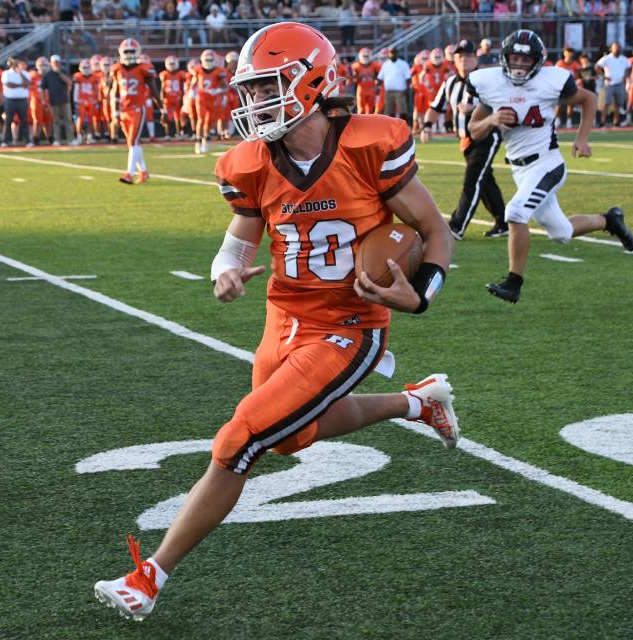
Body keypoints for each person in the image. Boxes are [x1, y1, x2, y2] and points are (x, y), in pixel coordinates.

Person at [94, 22, 459, 620]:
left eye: (268, 89)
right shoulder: (250, 163)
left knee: (241, 436)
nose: (255, 103)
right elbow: (238, 240)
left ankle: (150, 575)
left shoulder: (370, 145)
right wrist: (225, 272)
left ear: (313, 82)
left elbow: (434, 230)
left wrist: (421, 294)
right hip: (284, 316)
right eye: (253, 91)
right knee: (289, 437)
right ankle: (417, 404)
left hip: (350, 323)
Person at [467, 30, 633, 304]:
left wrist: (582, 138)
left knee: (516, 211)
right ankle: (610, 220)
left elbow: (589, 99)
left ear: (537, 61)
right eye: (515, 57)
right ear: (505, 58)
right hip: (520, 170)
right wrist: (492, 119)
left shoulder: (551, 82)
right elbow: (474, 131)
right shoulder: (492, 84)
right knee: (562, 234)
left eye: (526, 58)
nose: (520, 64)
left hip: (547, 162)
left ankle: (513, 282)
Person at [420, 39, 507, 239]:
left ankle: (456, 226)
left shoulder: (486, 80)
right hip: (465, 140)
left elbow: (502, 105)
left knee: (472, 181)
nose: (464, 61)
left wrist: (476, 110)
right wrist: (427, 126)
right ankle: (503, 222)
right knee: (484, 181)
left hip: (486, 135)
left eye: (468, 56)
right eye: (460, 57)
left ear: (475, 58)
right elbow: (436, 107)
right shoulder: (450, 82)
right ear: (455, 60)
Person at [109, 39, 160, 183]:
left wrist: (162, 108)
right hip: (124, 109)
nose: (129, 54)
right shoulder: (117, 69)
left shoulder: (144, 68)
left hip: (138, 108)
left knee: (133, 141)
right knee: (133, 143)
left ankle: (129, 174)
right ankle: (143, 171)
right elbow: (115, 92)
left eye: (132, 51)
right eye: (127, 51)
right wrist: (115, 112)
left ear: (137, 52)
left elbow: (154, 90)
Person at [191, 49, 227, 154]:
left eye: (211, 59)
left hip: (213, 98)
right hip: (201, 98)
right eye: (207, 59)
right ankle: (198, 141)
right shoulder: (198, 69)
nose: (209, 61)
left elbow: (224, 85)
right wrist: (191, 92)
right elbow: (194, 83)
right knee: (201, 119)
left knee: (209, 121)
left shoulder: (220, 71)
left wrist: (219, 91)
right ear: (202, 59)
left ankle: (205, 141)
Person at [595, 42, 631, 126]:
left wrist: (625, 76)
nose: (617, 49)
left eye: (618, 47)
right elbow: (597, 67)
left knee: (618, 103)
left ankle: (616, 121)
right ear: (611, 48)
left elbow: (629, 68)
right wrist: (604, 76)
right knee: (607, 103)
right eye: (615, 47)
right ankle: (602, 121)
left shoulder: (624, 59)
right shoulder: (607, 58)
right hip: (609, 84)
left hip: (620, 83)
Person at [42, 55, 73, 145]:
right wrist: (44, 101)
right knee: (55, 121)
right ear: (51, 63)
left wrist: (59, 74)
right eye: (54, 62)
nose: (56, 64)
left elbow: (70, 82)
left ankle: (70, 139)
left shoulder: (64, 71)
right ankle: (57, 139)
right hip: (53, 101)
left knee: (68, 120)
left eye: (57, 62)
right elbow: (43, 88)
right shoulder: (48, 75)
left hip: (65, 100)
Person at [1, 56, 31, 147]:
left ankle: (27, 141)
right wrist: (21, 85)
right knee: (8, 121)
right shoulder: (6, 73)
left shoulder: (24, 73)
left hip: (22, 100)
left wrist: (20, 73)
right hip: (10, 100)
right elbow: (8, 84)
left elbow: (27, 84)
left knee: (24, 121)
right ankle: (5, 141)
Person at [377, 46, 411, 119]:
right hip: (388, 91)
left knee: (402, 110)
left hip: (400, 91)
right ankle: (390, 128)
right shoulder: (385, 64)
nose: (392, 55)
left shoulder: (403, 64)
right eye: (391, 53)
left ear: (397, 53)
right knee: (389, 111)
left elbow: (408, 78)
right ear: (388, 54)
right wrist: (377, 87)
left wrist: (407, 89)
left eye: (394, 53)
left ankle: (404, 126)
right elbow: (380, 78)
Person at [159, 55, 186, 139]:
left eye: (173, 64)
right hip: (168, 99)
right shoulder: (164, 74)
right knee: (167, 117)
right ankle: (167, 134)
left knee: (178, 117)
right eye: (170, 64)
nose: (172, 66)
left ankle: (179, 133)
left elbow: (183, 87)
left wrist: (183, 98)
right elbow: (162, 88)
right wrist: (161, 99)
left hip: (178, 98)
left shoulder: (181, 74)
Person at [350, 47, 381, 114]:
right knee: (361, 110)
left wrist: (375, 79)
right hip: (361, 90)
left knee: (371, 110)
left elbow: (379, 78)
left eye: (367, 56)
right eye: (364, 56)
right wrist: (358, 77)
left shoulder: (375, 65)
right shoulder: (356, 66)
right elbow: (353, 80)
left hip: (372, 90)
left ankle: (370, 124)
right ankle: (361, 124)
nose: (365, 58)